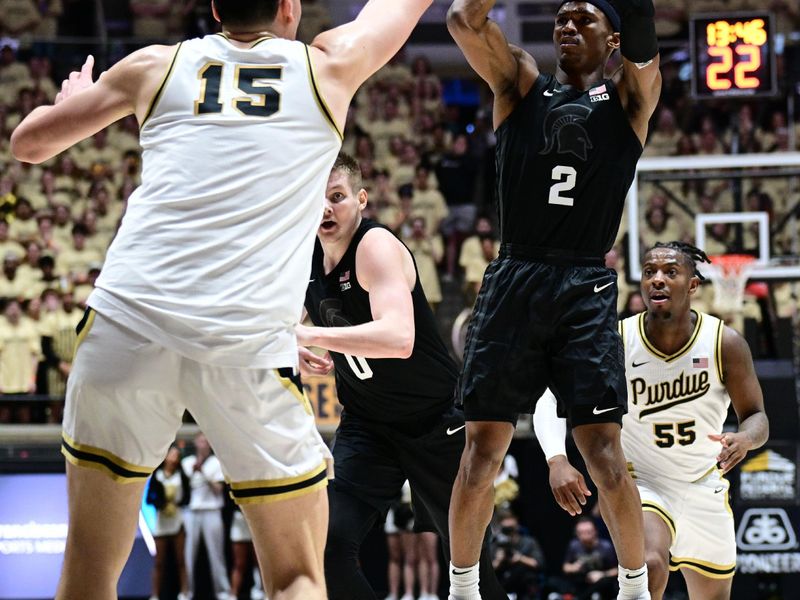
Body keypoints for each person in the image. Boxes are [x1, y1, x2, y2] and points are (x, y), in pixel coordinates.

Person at [10, 0, 434, 597]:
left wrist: (69, 99)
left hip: (128, 322)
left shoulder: (154, 64)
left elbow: (28, 144)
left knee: (87, 569)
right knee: (297, 576)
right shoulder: (328, 65)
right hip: (243, 342)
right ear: (290, 7)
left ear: (213, 8)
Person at [445, 0, 662, 597]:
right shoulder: (518, 81)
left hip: (583, 282)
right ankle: (463, 588)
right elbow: (463, 20)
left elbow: (644, 34)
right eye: (561, 17)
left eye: (583, 19)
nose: (566, 26)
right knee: (481, 451)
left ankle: (634, 587)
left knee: (603, 452)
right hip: (515, 273)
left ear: (612, 38)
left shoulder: (629, 98)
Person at [298, 154, 505, 600]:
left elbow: (399, 338)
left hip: (434, 422)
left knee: (468, 568)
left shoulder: (375, 247)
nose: (325, 209)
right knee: (326, 546)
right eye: (316, 198)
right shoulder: (303, 255)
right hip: (368, 425)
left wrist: (310, 333)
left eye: (336, 197)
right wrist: (292, 344)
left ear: (360, 199)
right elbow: (284, 320)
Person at [534, 242, 770, 600]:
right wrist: (556, 458)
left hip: (703, 484)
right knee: (649, 565)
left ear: (692, 286)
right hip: (642, 483)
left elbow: (756, 416)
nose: (657, 280)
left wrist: (746, 439)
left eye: (670, 272)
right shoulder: (617, 340)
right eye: (649, 273)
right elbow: (550, 394)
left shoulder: (725, 343)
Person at [182, 433, 231, 600]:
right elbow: (182, 488)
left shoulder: (216, 463)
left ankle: (223, 592)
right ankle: (187, 593)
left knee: (216, 553)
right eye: (201, 441)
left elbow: (219, 489)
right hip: (191, 512)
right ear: (195, 443)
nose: (203, 444)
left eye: (206, 441)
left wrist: (202, 471)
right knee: (188, 554)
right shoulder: (186, 463)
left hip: (212, 510)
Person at [146, 445, 191, 600]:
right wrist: (161, 504)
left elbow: (187, 497)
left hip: (177, 519)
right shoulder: (157, 476)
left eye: (176, 455)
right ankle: (155, 594)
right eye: (171, 454)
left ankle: (184, 592)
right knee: (159, 561)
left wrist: (176, 504)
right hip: (162, 520)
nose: (173, 458)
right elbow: (149, 498)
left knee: (181, 559)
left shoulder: (182, 476)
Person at [562, 517, 618, 600]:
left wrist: (602, 574)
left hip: (602, 584)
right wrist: (574, 567)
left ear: (595, 531)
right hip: (582, 583)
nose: (585, 535)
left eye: (588, 532)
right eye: (581, 532)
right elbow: (565, 567)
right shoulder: (574, 546)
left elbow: (617, 570)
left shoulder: (606, 546)